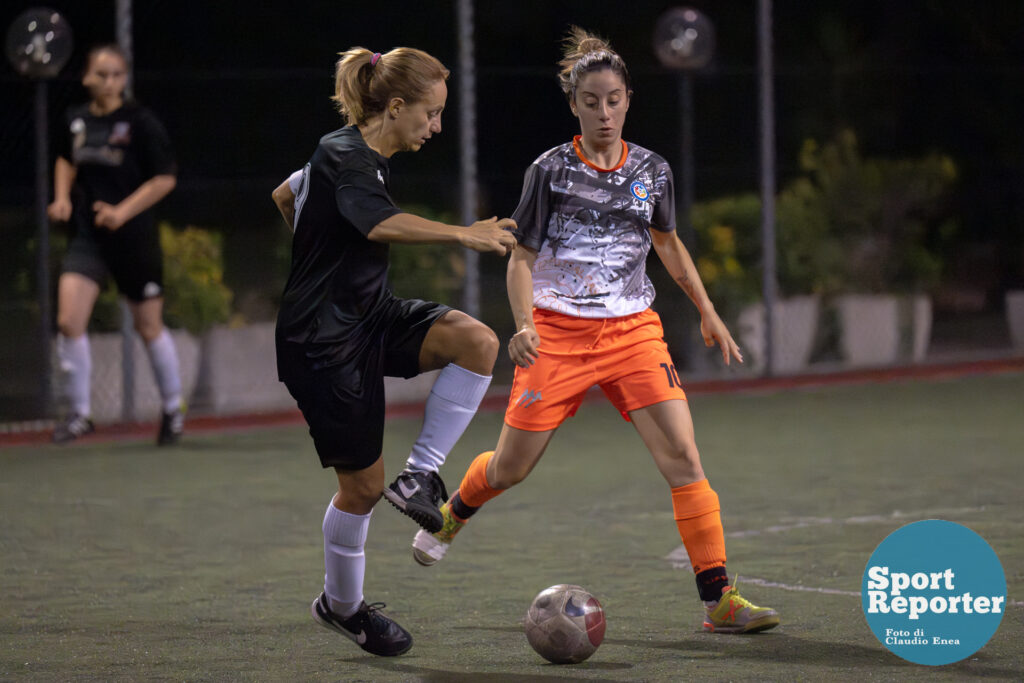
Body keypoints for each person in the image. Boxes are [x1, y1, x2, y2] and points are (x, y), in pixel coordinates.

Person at [410, 27, 780, 635]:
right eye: (590, 101)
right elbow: (521, 258)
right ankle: (456, 509)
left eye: (613, 100)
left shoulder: (652, 171)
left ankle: (719, 599)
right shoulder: (549, 170)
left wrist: (707, 309)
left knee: (684, 458)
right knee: (510, 468)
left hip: (633, 329)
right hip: (556, 331)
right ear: (574, 104)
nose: (603, 112)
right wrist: (525, 326)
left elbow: (667, 243)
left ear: (628, 98)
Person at [271, 46, 516, 657]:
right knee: (360, 489)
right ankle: (343, 607)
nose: (435, 127)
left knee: (478, 342)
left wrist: (317, 248)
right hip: (321, 342)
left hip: (368, 316)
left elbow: (285, 193)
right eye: (430, 114)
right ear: (397, 106)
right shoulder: (346, 153)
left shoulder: (358, 157)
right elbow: (378, 225)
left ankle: (420, 476)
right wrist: (464, 232)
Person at [47, 44, 184, 445]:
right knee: (69, 321)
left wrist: (122, 213)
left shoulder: (140, 122)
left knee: (148, 326)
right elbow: (65, 160)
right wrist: (60, 197)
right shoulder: (76, 120)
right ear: (86, 77)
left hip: (134, 238)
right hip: (90, 237)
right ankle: (79, 414)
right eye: (101, 74)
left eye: (117, 75)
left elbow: (164, 179)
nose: (110, 82)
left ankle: (173, 409)